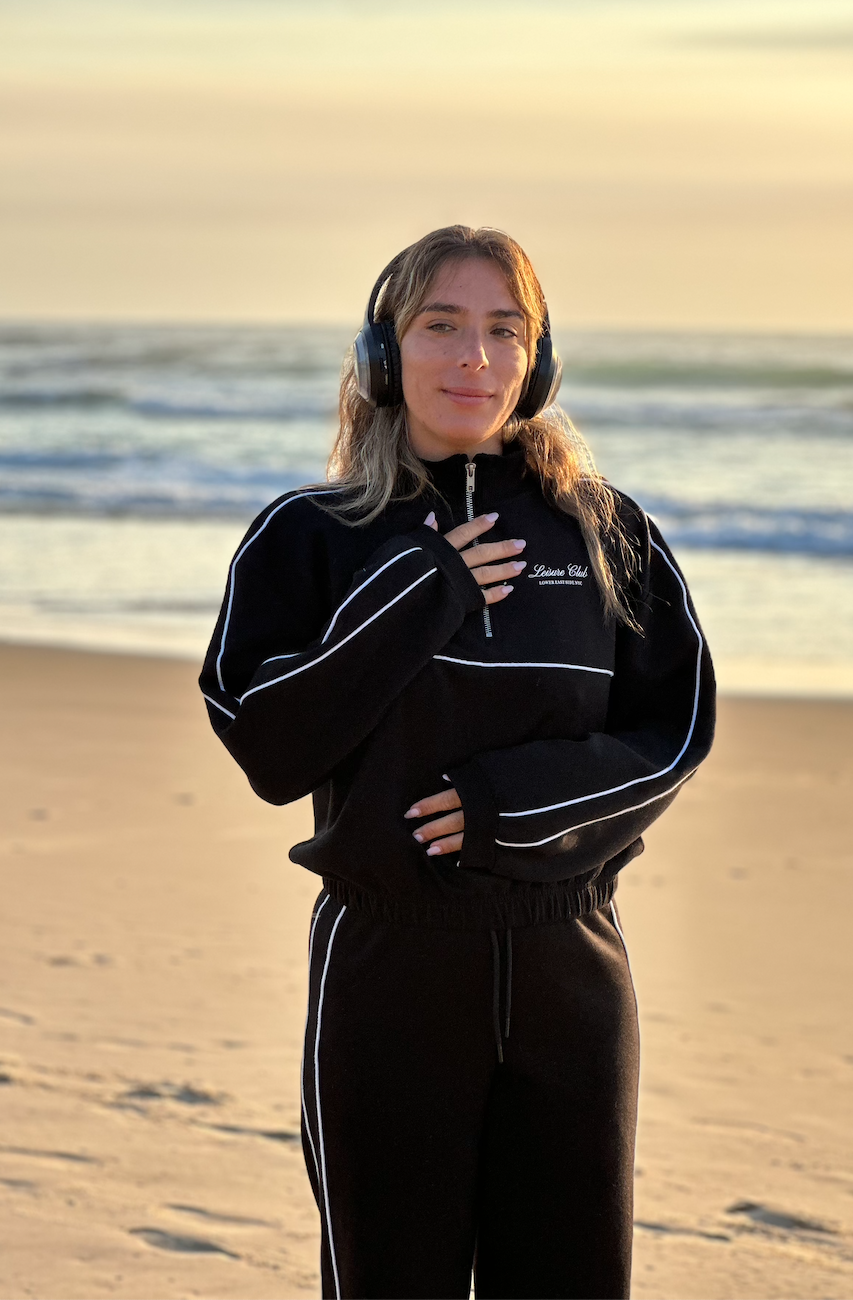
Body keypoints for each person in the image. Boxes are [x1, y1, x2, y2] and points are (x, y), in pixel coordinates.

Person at [199, 225, 715, 1300]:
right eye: (441, 325)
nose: (474, 357)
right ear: (384, 352)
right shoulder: (309, 537)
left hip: (571, 970)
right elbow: (267, 744)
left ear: (539, 359)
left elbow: (675, 731)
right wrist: (421, 591)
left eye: (503, 330)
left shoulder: (608, 533)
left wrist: (510, 807)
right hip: (388, 968)